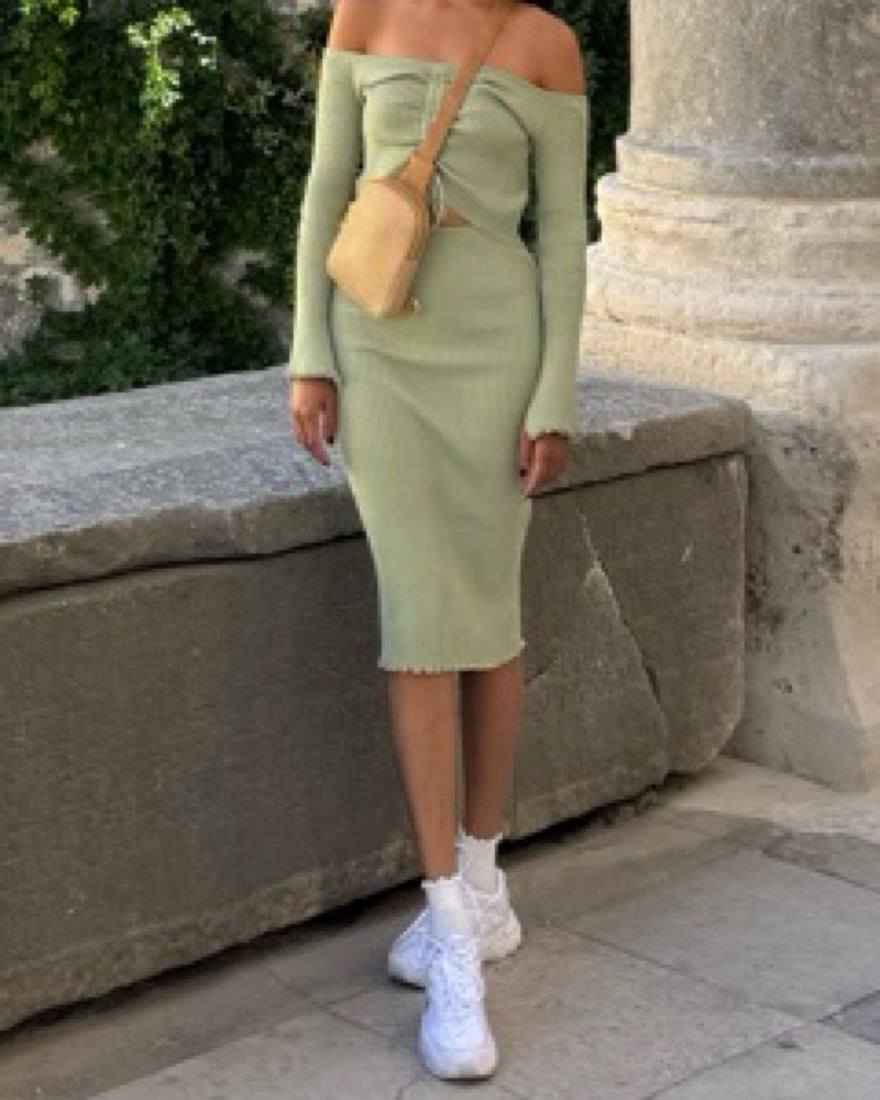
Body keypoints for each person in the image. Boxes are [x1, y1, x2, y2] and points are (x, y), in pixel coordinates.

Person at [288, 0, 588, 1080]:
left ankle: (484, 879)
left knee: (490, 618)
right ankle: (450, 923)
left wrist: (554, 396)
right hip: (378, 348)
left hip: (498, 351)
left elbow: (562, 235)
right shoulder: (363, 13)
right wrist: (309, 355)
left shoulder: (546, 41)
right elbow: (327, 188)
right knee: (417, 624)